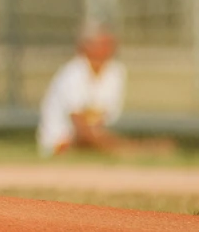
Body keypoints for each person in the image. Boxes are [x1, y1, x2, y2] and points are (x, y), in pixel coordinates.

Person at [37, 26, 130, 156]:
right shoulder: (73, 74)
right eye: (101, 44)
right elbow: (81, 128)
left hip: (92, 139)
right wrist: (122, 147)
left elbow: (102, 118)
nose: (107, 49)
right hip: (62, 142)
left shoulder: (115, 73)